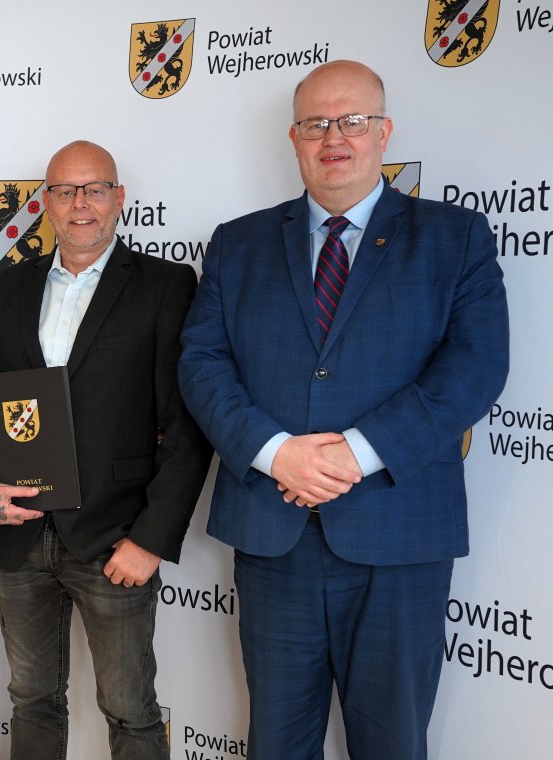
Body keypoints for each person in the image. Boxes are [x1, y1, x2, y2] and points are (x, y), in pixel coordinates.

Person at [178, 60, 509, 759]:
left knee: (392, 743)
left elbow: (475, 369)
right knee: (276, 742)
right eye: (316, 123)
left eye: (353, 120)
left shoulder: (455, 238)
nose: (335, 137)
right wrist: (277, 453)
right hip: (274, 536)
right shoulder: (237, 243)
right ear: (294, 138)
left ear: (383, 132)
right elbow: (202, 364)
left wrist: (354, 455)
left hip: (399, 539)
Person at [0, 140, 212, 759]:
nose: (79, 203)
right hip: (16, 536)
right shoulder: (8, 285)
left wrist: (151, 539)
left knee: (131, 710)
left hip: (115, 538)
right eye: (64, 191)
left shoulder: (165, 286)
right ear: (47, 203)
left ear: (119, 198)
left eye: (94, 189)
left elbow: (187, 424)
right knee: (31, 701)